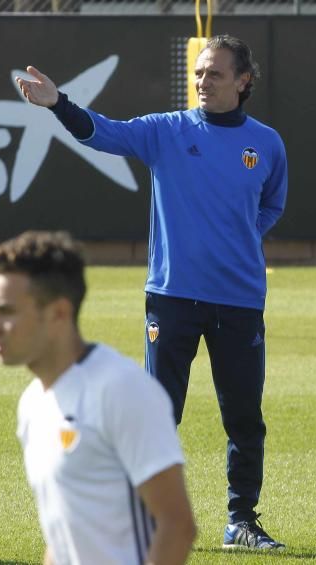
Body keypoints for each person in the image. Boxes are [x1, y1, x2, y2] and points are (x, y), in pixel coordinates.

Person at [15, 34, 288, 551]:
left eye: (215, 73)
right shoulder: (167, 130)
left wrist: (240, 237)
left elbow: (271, 205)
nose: (202, 80)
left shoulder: (267, 143)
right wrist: (59, 104)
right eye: (200, 72)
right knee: (158, 411)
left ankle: (241, 520)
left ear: (244, 81)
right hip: (172, 297)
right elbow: (103, 134)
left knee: (244, 417)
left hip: (240, 299)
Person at [0, 231, 196, 565]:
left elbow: (177, 525)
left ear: (59, 313)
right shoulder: (33, 403)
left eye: (6, 311)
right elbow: (64, 538)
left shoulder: (122, 389)